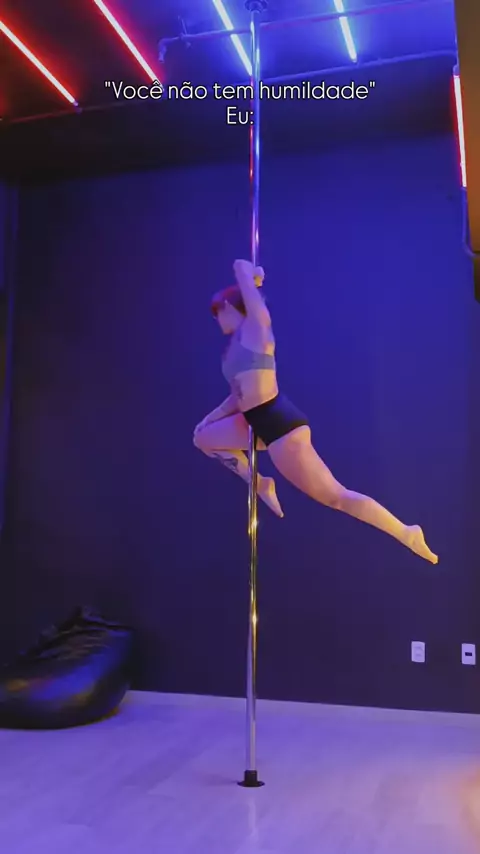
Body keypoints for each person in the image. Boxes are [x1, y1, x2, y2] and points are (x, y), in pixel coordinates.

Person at [194, 259, 438, 564]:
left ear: (231, 306)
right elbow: (238, 394)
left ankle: (406, 532)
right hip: (253, 419)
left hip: (279, 425)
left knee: (336, 497)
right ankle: (260, 483)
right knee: (203, 438)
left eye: (217, 311)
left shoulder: (257, 331)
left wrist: (246, 275)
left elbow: (248, 283)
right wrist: (209, 419)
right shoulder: (234, 348)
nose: (216, 319)